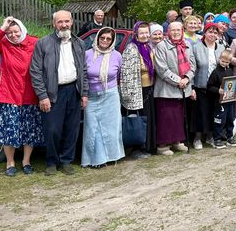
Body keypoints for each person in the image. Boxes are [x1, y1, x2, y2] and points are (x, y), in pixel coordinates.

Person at [30, 10, 88, 176]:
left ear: (72, 22)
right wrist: (42, 96)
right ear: (54, 24)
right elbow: (35, 72)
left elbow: (83, 69)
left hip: (74, 91)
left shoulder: (79, 43)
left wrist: (84, 93)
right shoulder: (43, 43)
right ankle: (51, 162)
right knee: (53, 129)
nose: (64, 25)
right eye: (60, 22)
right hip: (53, 93)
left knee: (72, 129)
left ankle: (66, 161)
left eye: (66, 21)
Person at [0, 17, 42, 176]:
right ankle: (10, 163)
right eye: (9, 32)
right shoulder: (3, 44)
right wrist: (3, 27)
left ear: (22, 30)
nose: (13, 35)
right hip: (8, 94)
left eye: (16, 31)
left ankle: (26, 161)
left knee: (29, 130)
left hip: (29, 94)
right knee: (8, 129)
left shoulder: (34, 43)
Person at [81, 27, 124, 168]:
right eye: (102, 38)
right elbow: (82, 76)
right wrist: (84, 94)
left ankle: (112, 156)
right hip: (91, 96)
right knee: (93, 128)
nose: (105, 41)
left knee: (111, 127)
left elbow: (119, 76)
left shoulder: (117, 56)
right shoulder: (87, 54)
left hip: (110, 95)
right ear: (97, 38)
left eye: (108, 39)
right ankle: (96, 160)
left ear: (112, 41)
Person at [153, 21, 195, 156]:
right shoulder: (161, 46)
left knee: (178, 117)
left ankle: (177, 141)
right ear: (168, 32)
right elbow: (161, 69)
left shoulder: (187, 44)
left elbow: (193, 65)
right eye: (173, 30)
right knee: (166, 118)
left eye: (178, 30)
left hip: (183, 87)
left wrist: (187, 79)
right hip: (166, 89)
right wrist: (178, 81)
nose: (176, 32)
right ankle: (163, 145)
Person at [119, 22, 156, 158]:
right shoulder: (132, 49)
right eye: (142, 33)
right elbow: (127, 74)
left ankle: (148, 145)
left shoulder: (148, 47)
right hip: (137, 91)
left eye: (147, 32)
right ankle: (138, 147)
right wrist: (129, 95)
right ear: (136, 34)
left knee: (148, 118)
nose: (145, 35)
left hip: (149, 89)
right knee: (139, 119)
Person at [189, 22, 224, 150]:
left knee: (213, 113)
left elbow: (224, 67)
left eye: (215, 32)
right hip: (200, 86)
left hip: (215, 88)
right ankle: (197, 138)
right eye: (210, 31)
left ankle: (210, 136)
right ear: (205, 32)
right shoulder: (196, 47)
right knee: (200, 113)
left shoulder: (220, 47)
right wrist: (191, 87)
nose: (212, 34)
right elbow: (192, 68)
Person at [207, 49, 236, 148]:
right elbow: (209, 86)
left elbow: (233, 82)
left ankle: (230, 137)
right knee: (219, 120)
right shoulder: (215, 72)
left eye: (227, 62)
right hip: (219, 102)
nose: (224, 63)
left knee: (230, 119)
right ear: (219, 59)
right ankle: (217, 139)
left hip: (230, 100)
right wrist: (218, 90)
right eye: (223, 61)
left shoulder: (230, 71)